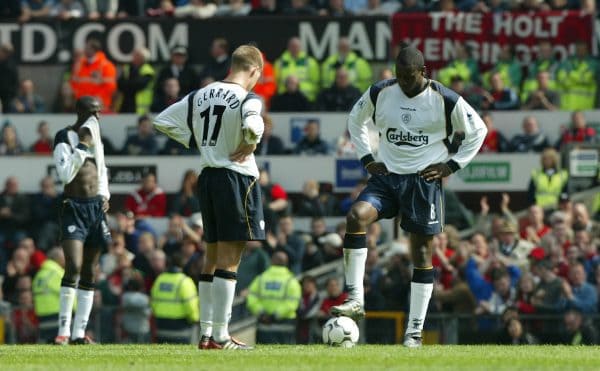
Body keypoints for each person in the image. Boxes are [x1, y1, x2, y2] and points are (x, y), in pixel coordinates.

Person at [332, 46, 486, 348]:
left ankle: (414, 332)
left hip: (422, 181)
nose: (403, 81)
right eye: (399, 75)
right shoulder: (381, 91)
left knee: (422, 255)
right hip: (387, 176)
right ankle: (355, 299)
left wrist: (451, 165)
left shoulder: (444, 98)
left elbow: (478, 130)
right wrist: (366, 157)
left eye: (409, 76)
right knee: (355, 216)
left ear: (423, 72)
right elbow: (355, 119)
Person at [154, 44, 266, 350]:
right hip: (236, 178)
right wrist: (251, 140)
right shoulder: (248, 97)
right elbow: (254, 122)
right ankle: (221, 334)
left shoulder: (200, 94)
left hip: (208, 176)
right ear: (254, 70)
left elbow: (161, 121)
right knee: (230, 258)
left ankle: (206, 334)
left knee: (212, 256)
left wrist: (196, 140)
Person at [52, 96, 111, 345]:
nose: (97, 118)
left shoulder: (96, 138)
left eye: (98, 113)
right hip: (73, 207)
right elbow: (65, 173)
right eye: (92, 112)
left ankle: (79, 333)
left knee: (90, 270)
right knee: (74, 265)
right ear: (80, 113)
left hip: (95, 207)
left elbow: (102, 168)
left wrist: (105, 195)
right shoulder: (64, 137)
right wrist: (82, 147)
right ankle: (63, 331)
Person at [246, 251, 301, 344]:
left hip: (263, 326)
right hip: (285, 326)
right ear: (286, 263)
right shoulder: (291, 281)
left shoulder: (260, 279)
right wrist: (275, 315)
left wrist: (262, 313)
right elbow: (292, 303)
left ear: (271, 261)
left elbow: (251, 298)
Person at [150, 253, 199, 344]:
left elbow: (153, 301)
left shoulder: (160, 279)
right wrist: (195, 319)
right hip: (181, 330)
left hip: (161, 328)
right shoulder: (185, 281)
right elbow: (191, 306)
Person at [70, 38, 117, 112]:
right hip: (82, 102)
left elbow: (111, 86)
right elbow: (73, 82)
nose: (85, 50)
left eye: (88, 48)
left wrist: (99, 97)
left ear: (94, 50)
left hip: (99, 103)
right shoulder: (79, 64)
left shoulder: (106, 65)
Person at [32, 247, 65, 343]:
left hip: (42, 317)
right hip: (58, 316)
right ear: (57, 259)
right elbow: (69, 294)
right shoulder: (57, 273)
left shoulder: (40, 274)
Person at [274, 37, 320, 102]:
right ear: (288, 47)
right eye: (292, 46)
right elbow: (276, 82)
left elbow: (316, 82)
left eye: (297, 46)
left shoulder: (310, 62)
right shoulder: (280, 63)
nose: (294, 48)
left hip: (306, 98)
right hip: (285, 98)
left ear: (301, 47)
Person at [116, 47, 155, 114]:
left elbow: (139, 85)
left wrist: (127, 84)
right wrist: (131, 84)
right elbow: (120, 84)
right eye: (134, 55)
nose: (134, 57)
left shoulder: (148, 70)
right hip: (124, 105)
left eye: (137, 55)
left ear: (143, 57)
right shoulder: (127, 68)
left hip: (139, 107)